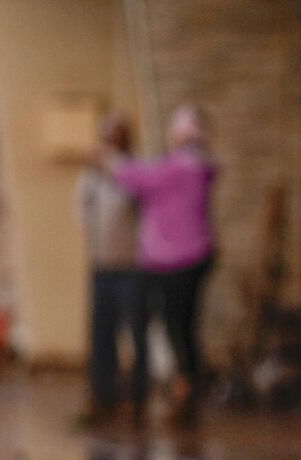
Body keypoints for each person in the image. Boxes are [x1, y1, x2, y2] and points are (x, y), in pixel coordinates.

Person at [110, 104, 217, 424]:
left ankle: (181, 385)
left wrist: (112, 159)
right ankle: (184, 382)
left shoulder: (179, 170)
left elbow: (137, 177)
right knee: (182, 325)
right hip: (188, 256)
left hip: (174, 260)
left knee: (172, 324)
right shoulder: (198, 168)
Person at [80, 113, 146, 425]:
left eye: (118, 138)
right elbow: (82, 213)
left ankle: (135, 396)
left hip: (131, 267)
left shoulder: (135, 173)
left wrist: (113, 163)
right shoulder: (92, 179)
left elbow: (137, 198)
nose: (112, 146)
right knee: (101, 334)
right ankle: (102, 393)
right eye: (108, 139)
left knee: (133, 334)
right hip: (102, 266)